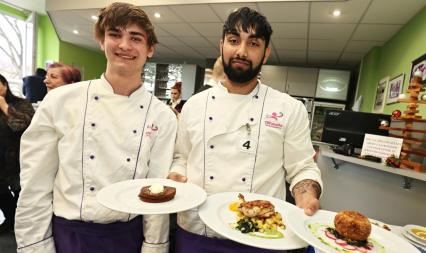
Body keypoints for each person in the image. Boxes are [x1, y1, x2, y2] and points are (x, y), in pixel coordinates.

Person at [15, 2, 177, 253]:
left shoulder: (162, 116)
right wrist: (35, 245)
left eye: (135, 37)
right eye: (114, 34)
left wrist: (154, 247)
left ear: (150, 49)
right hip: (69, 236)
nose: (124, 45)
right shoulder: (61, 101)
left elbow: (156, 194)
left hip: (129, 237)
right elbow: (35, 183)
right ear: (102, 41)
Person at [168, 7, 322, 253]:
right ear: (221, 46)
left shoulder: (289, 108)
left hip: (262, 236)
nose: (241, 51)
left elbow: (302, 168)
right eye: (233, 41)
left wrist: (306, 195)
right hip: (197, 231)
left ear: (266, 53)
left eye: (253, 43)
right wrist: (176, 174)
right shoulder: (195, 105)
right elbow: (182, 158)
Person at [0, 74, 34, 233]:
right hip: (0, 159)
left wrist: (4, 106)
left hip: (18, 158)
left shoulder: (22, 104)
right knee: (1, 193)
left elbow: (23, 125)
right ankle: (11, 218)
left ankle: (21, 223)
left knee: (21, 192)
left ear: (5, 85)